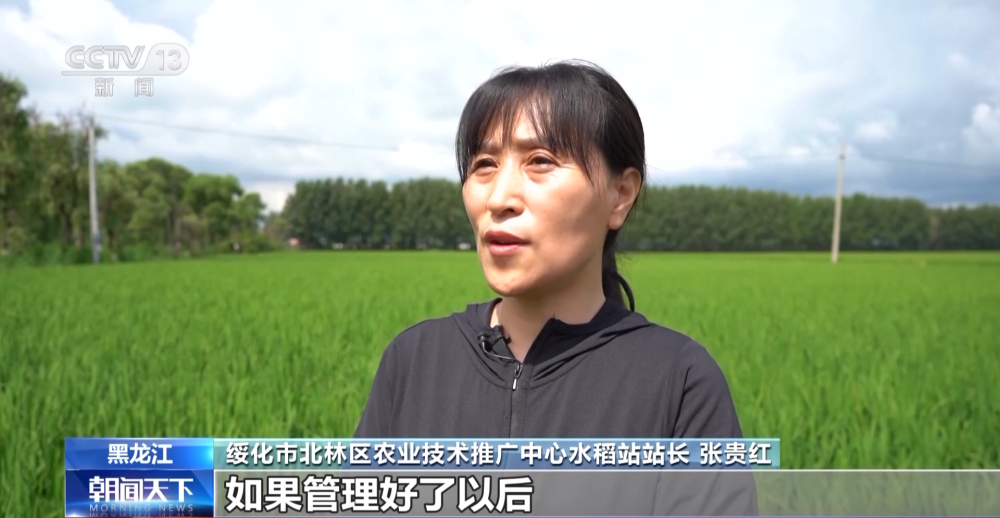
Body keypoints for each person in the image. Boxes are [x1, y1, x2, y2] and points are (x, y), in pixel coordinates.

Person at [355, 60, 757, 516]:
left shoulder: (678, 380)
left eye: (540, 162)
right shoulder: (414, 360)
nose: (499, 198)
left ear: (620, 194)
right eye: (484, 165)